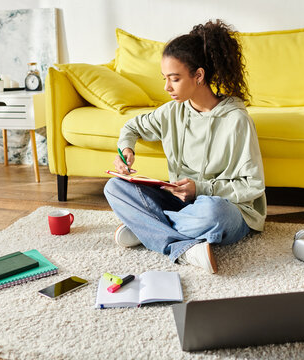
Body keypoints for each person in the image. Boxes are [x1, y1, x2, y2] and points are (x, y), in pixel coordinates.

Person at [104, 19, 266, 273]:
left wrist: (199, 188)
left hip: (228, 211)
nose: (167, 87)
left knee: (214, 213)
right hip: (182, 203)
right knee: (114, 187)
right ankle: (181, 245)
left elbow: (252, 186)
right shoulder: (171, 112)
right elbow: (131, 127)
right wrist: (127, 150)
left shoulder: (236, 120)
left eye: (175, 78)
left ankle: (147, 229)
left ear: (198, 75)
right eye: (165, 78)